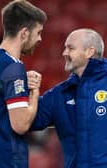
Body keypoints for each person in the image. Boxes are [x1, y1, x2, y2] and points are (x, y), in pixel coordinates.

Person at [0, 0, 47, 167]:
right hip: (6, 162)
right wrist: (34, 93)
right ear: (24, 33)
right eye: (38, 32)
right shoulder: (13, 67)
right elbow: (20, 124)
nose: (40, 39)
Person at [28, 28, 107, 168]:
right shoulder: (60, 94)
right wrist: (27, 91)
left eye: (70, 48)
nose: (64, 53)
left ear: (89, 51)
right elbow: (28, 120)